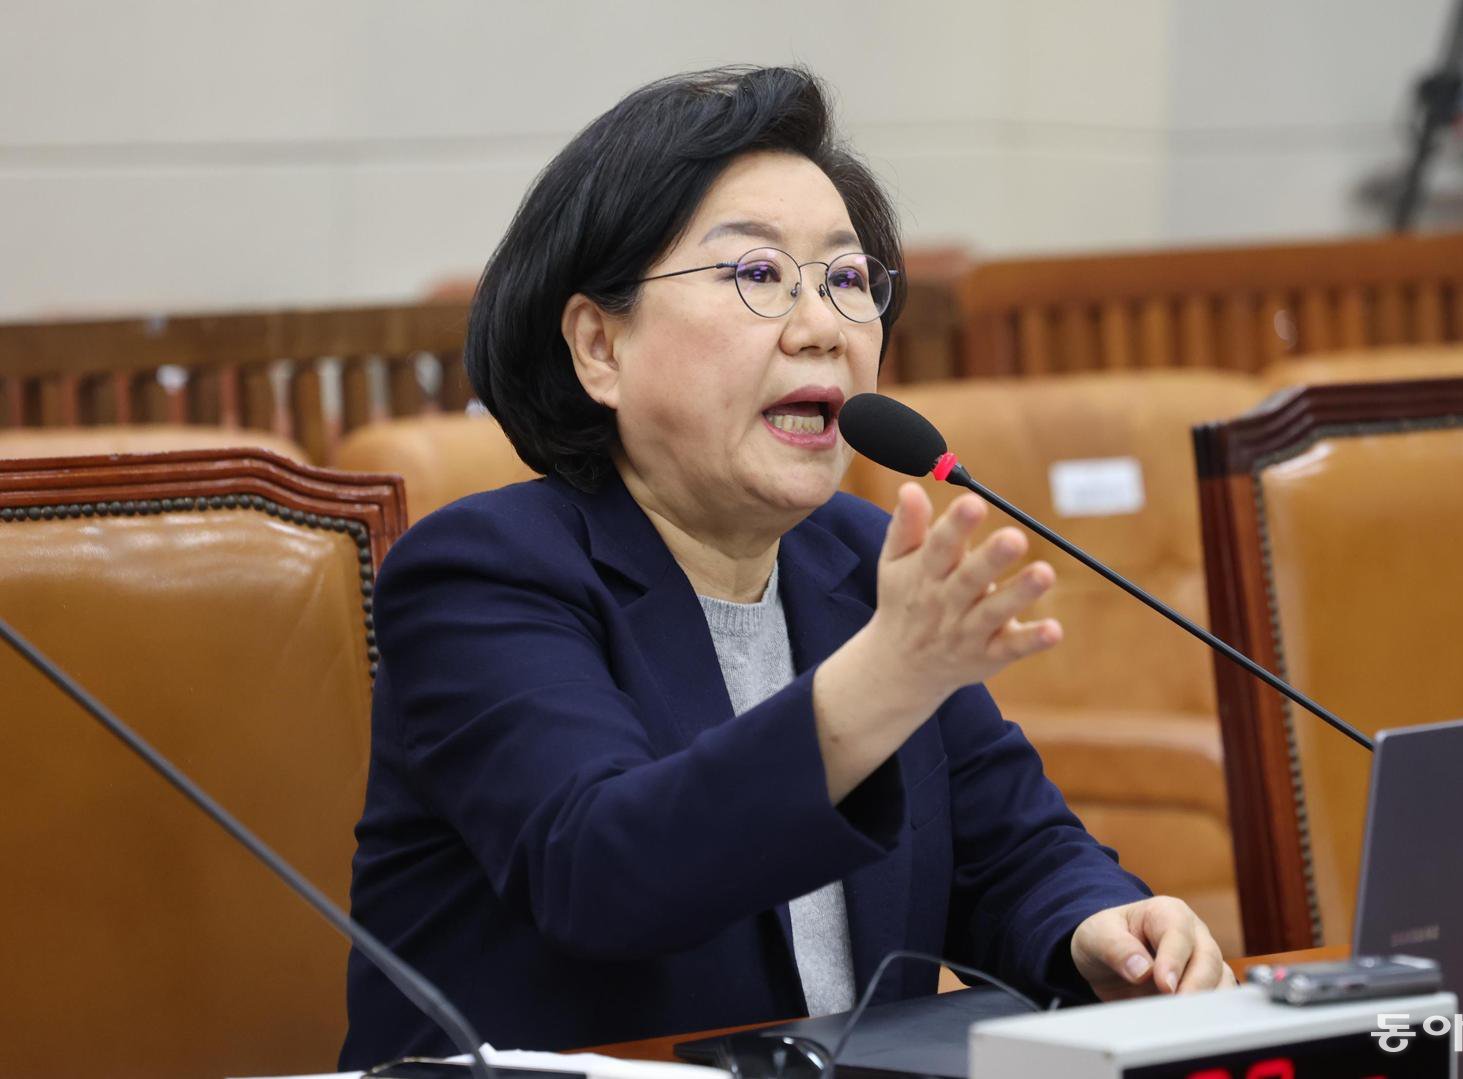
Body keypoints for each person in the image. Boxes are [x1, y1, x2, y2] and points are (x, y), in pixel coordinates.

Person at [340, 65, 1231, 1069]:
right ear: (599, 347)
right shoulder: (481, 576)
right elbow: (603, 871)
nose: (821, 328)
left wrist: (1099, 925)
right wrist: (883, 680)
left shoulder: (860, 560)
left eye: (846, 280)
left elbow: (1011, 851)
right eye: (758, 274)